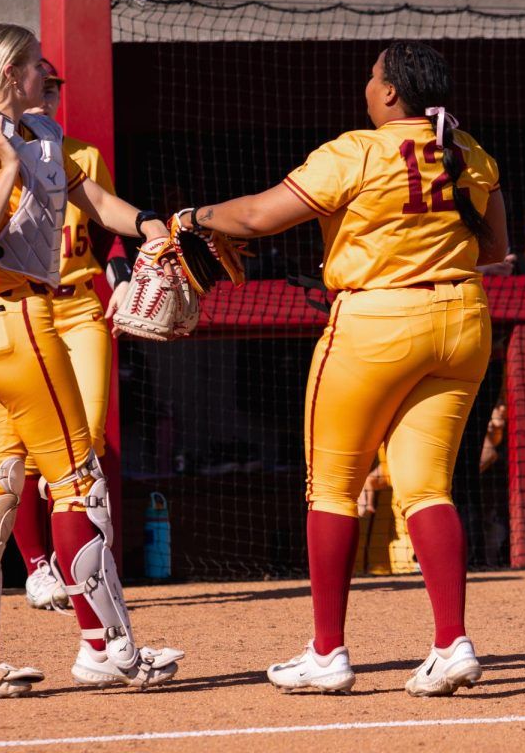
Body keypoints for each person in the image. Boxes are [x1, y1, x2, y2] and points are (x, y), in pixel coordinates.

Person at [177, 41, 507, 696]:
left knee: (331, 487)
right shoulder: (471, 151)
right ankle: (451, 644)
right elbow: (495, 250)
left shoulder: (356, 148)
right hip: (463, 320)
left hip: (376, 324)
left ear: (390, 93)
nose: (366, 86)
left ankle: (328, 652)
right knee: (427, 487)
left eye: (372, 76)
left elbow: (257, 216)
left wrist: (190, 217)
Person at [0, 23, 182, 698]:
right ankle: (106, 648)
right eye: (33, 68)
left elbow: (95, 201)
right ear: (5, 73)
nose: (45, 78)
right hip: (9, 318)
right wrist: (5, 165)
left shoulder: (48, 137)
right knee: (78, 483)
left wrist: (151, 223)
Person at [9, 57, 135, 612]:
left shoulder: (83, 155)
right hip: (26, 307)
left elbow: (109, 232)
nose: (50, 95)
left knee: (83, 443)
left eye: (57, 87)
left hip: (80, 306)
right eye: (43, 85)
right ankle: (37, 566)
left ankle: (78, 562)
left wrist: (125, 278)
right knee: (34, 445)